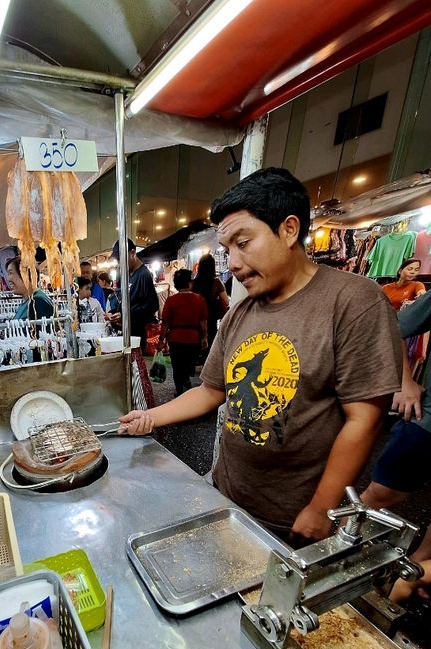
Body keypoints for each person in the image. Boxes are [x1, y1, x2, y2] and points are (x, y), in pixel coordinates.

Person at [119, 167, 401, 543]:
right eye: (227, 250)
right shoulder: (240, 312)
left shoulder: (353, 302)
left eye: (243, 243)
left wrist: (322, 507)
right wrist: (150, 417)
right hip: (227, 494)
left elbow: (364, 419)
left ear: (288, 229)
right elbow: (210, 390)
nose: (233, 263)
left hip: (294, 515)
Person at [360, 288, 431, 601]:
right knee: (379, 494)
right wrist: (404, 381)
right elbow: (394, 327)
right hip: (427, 424)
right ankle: (340, 562)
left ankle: (416, 571)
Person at [160, 269, 208, 396]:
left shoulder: (171, 300)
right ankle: (186, 379)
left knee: (177, 364)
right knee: (189, 362)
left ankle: (179, 388)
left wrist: (161, 340)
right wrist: (204, 338)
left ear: (176, 284)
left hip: (175, 338)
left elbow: (165, 323)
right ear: (190, 283)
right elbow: (203, 321)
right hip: (193, 338)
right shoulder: (199, 299)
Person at [110, 238, 159, 352]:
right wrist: (114, 312)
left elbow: (152, 305)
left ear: (132, 253)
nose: (119, 263)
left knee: (134, 367)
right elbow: (124, 299)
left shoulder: (144, 274)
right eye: (118, 260)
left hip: (138, 335)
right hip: (126, 332)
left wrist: (127, 314)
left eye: (121, 259)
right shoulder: (126, 275)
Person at [192, 253, 229, 353]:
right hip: (211, 318)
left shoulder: (194, 283)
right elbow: (226, 301)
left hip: (196, 319)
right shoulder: (216, 282)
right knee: (210, 345)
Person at [5, 255, 54, 320]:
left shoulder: (38, 302)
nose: (8, 279)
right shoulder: (29, 301)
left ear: (25, 275)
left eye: (10, 273)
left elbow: (42, 329)